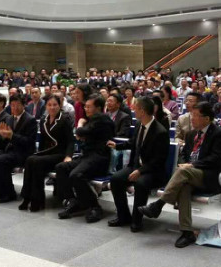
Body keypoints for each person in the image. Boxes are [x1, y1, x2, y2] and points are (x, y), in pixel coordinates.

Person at [139, 102, 221, 248]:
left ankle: (158, 204)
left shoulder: (220, 133)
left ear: (207, 119)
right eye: (191, 114)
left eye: (195, 115)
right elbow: (184, 156)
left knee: (183, 172)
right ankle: (187, 232)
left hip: (210, 176)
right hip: (189, 175)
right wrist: (185, 164)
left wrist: (192, 165)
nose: (191, 118)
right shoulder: (190, 134)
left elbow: (216, 158)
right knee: (184, 187)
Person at [108, 96, 170, 232]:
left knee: (141, 183)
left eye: (135, 108)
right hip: (136, 166)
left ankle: (137, 220)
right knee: (116, 179)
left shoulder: (160, 132)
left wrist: (140, 171)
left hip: (153, 171)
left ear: (142, 111)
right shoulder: (139, 125)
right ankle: (123, 216)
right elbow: (133, 142)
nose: (133, 110)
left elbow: (158, 160)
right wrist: (117, 146)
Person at [56, 94, 115, 223]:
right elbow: (82, 135)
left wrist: (80, 123)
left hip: (99, 159)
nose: (86, 109)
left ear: (98, 108)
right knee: (61, 168)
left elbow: (80, 132)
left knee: (76, 175)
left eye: (89, 107)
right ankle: (74, 201)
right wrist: (82, 131)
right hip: (87, 157)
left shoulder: (102, 119)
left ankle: (95, 207)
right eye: (85, 106)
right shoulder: (93, 120)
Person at [19, 95, 74, 212]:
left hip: (60, 153)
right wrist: (39, 153)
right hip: (48, 153)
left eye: (55, 105)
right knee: (30, 159)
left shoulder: (64, 119)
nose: (52, 107)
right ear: (46, 106)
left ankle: (37, 200)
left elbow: (70, 141)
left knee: (37, 162)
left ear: (59, 105)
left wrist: (68, 156)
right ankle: (27, 197)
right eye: (49, 105)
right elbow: (43, 141)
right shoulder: (44, 119)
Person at [0, 95, 36, 202]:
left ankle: (9, 193)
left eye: (18, 105)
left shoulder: (30, 120)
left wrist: (12, 136)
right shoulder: (9, 118)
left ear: (23, 105)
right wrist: (3, 135)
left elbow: (28, 142)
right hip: (9, 149)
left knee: (1, 160)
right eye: (12, 105)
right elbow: (5, 139)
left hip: (23, 152)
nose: (15, 108)